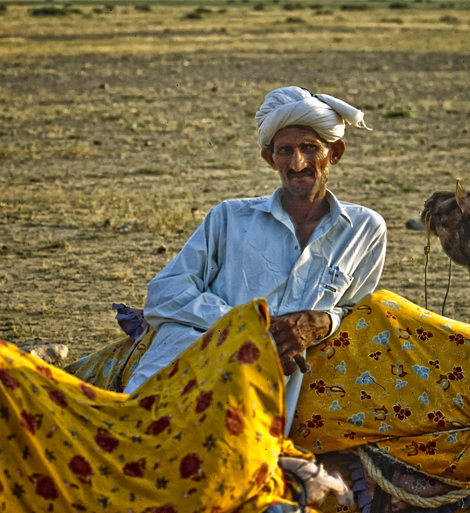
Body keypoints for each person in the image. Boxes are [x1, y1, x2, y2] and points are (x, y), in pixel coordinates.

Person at [123, 86, 387, 428]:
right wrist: (252, 327)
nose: (297, 164)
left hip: (275, 386)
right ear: (269, 158)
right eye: (285, 151)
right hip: (194, 360)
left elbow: (355, 311)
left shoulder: (365, 229)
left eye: (310, 148)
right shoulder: (229, 218)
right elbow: (166, 294)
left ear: (335, 153)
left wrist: (324, 321)